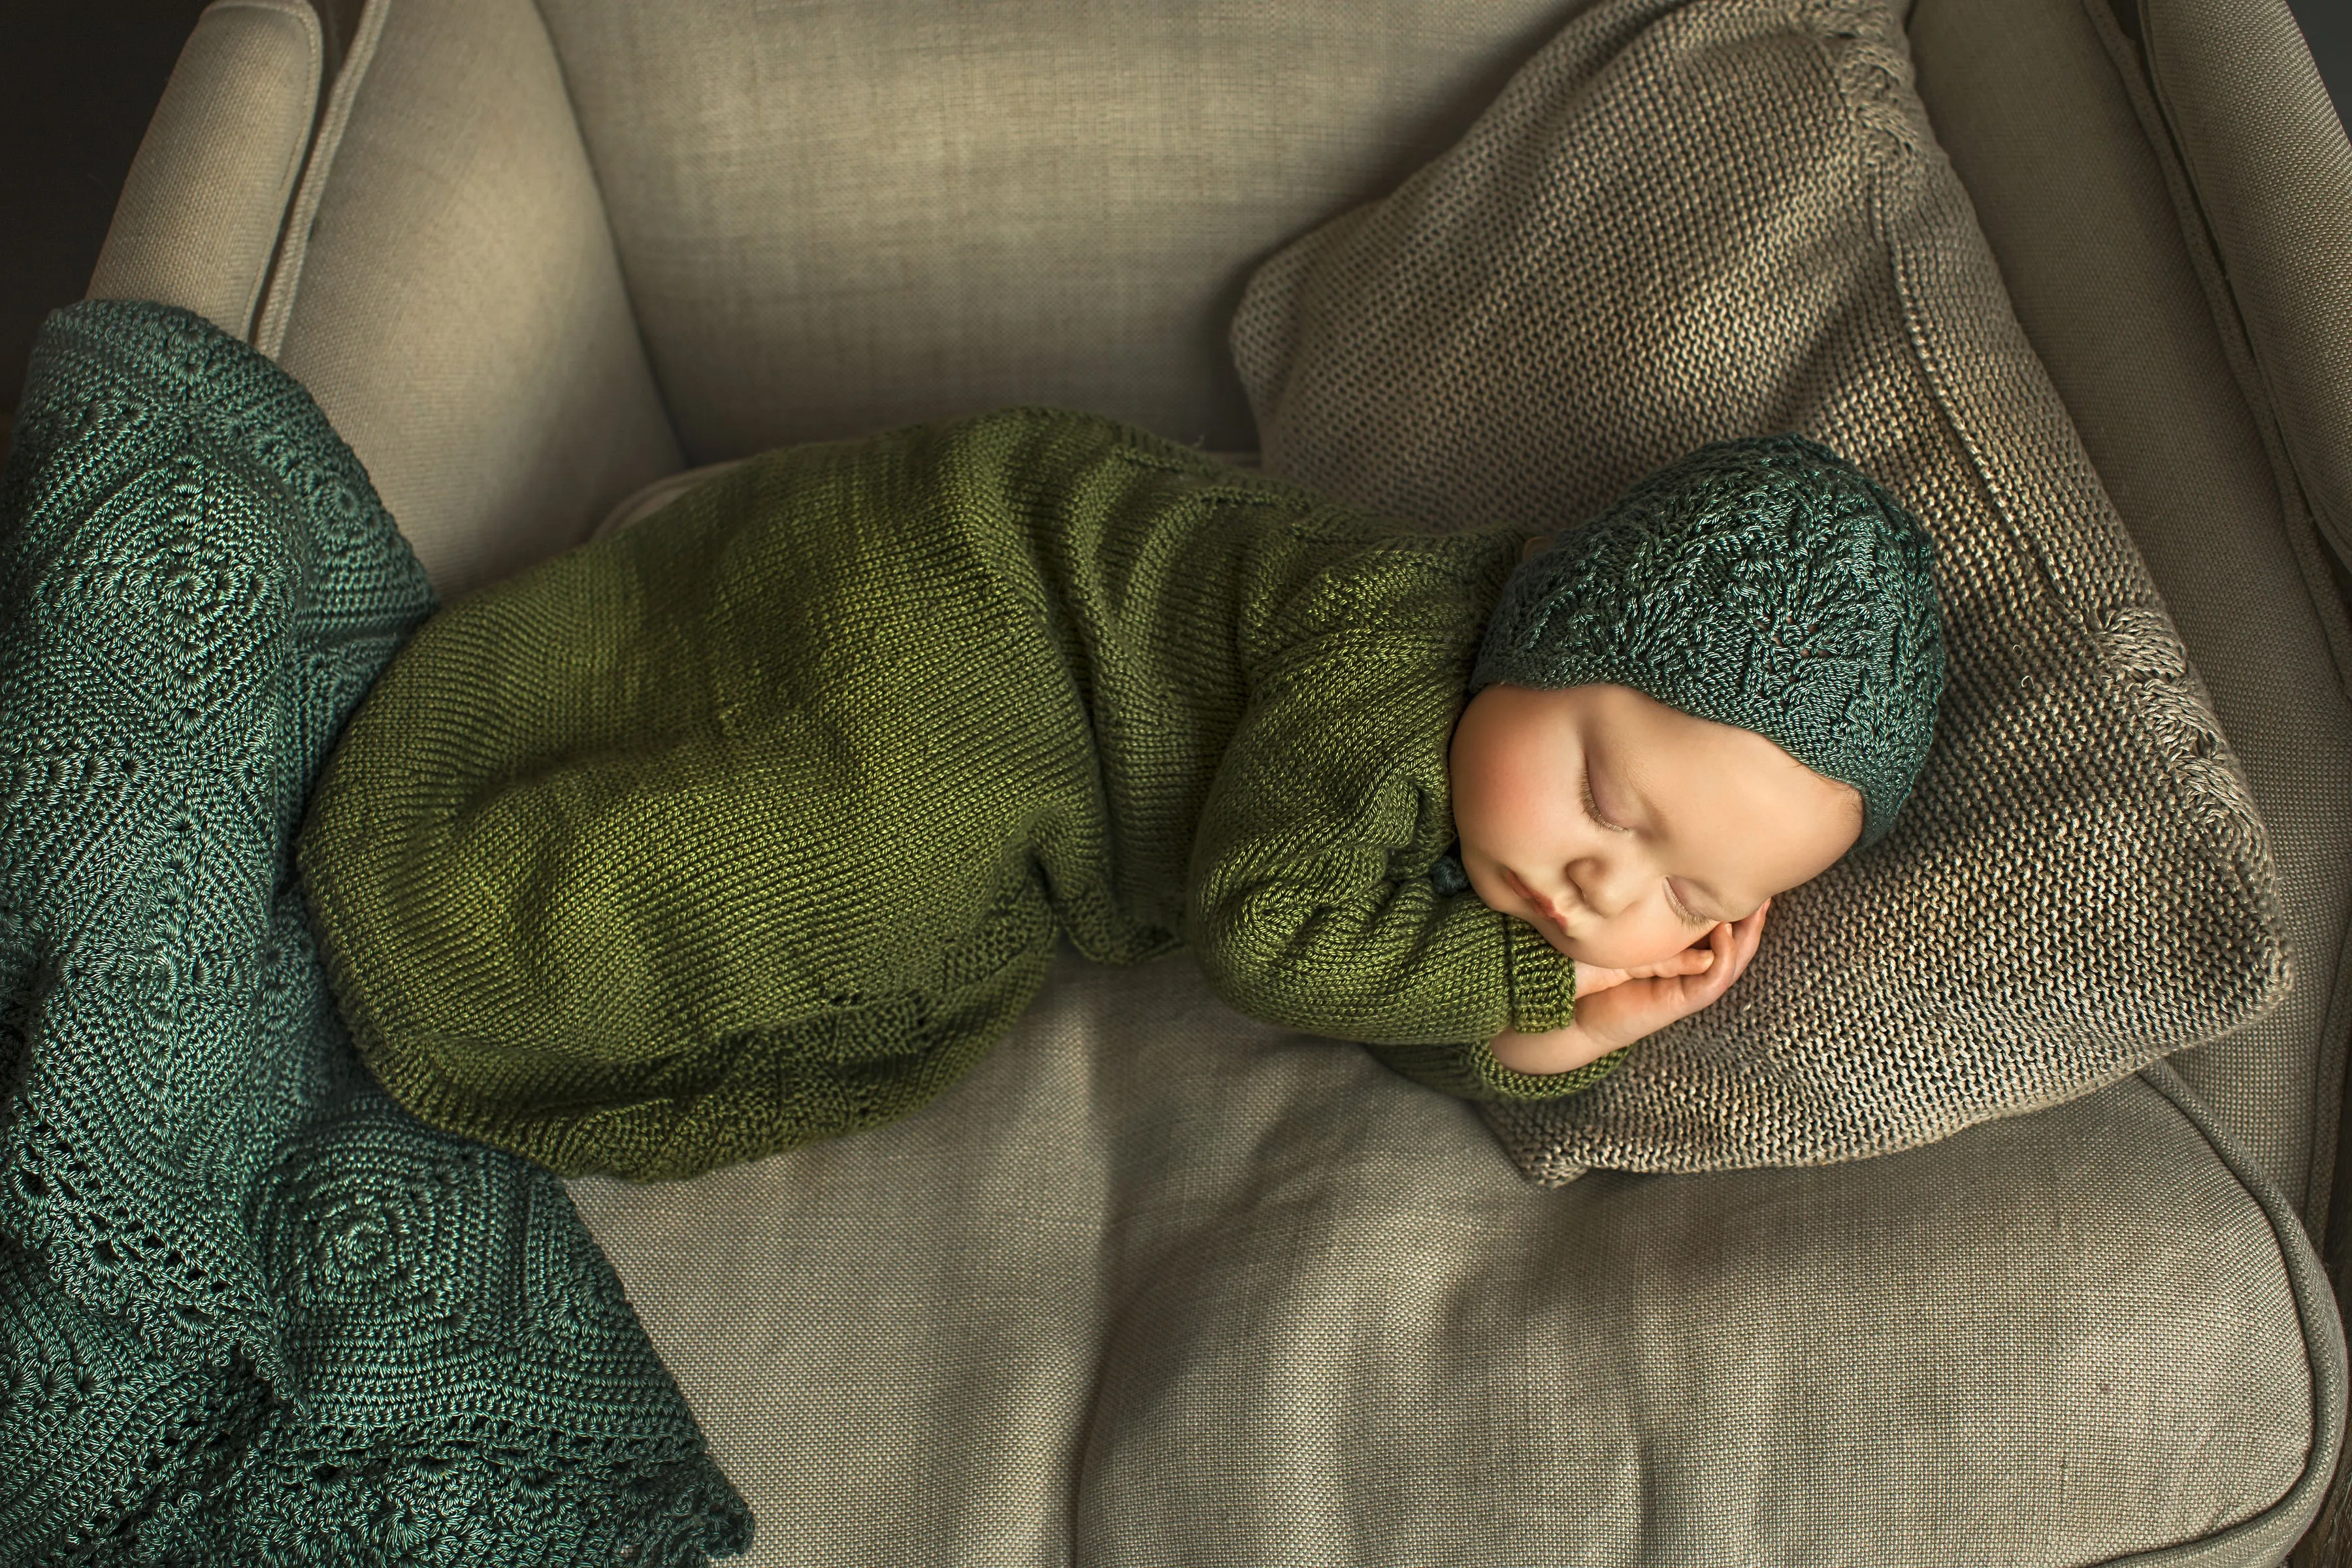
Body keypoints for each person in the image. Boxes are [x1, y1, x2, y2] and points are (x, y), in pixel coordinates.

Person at [296, 406, 1944, 1181]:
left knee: (878, 875)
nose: (1605, 896)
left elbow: (1380, 966)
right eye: (1605, 798)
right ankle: (455, 934)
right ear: (1535, 626)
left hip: (1031, 649)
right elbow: (1273, 927)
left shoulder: (1495, 797)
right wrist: (1531, 988)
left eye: (1690, 899)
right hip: (995, 610)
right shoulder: (1390, 675)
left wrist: (1563, 1036)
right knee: (819, 856)